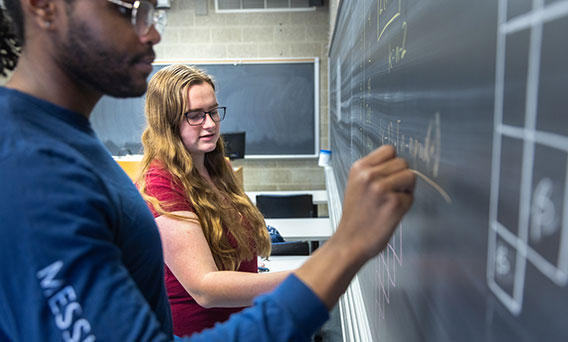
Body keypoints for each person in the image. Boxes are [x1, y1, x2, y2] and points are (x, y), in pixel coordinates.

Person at [0, 1, 415, 341]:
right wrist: (344, 251)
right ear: (43, 7)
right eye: (128, 11)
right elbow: (201, 289)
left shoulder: (68, 140)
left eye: (153, 13)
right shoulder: (29, 168)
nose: (152, 34)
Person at [137, 64, 290, 336]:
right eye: (195, 116)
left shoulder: (217, 167)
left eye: (213, 111)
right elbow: (205, 288)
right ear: (167, 122)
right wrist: (305, 279)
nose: (210, 124)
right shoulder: (162, 183)